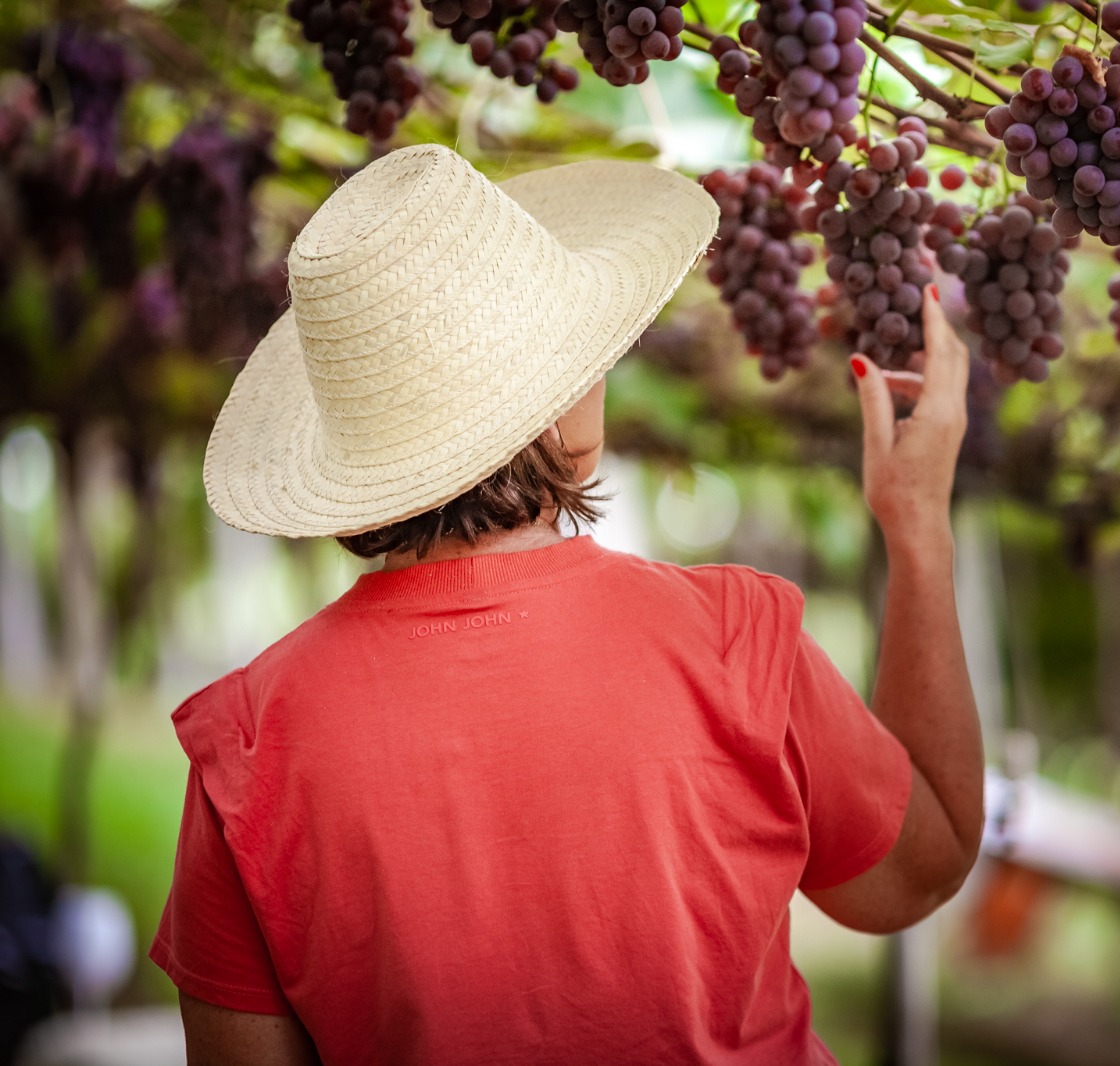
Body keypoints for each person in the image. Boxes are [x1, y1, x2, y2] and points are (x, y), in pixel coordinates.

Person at [151, 143, 983, 1066]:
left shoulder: (248, 741)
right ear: (552, 418)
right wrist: (917, 528)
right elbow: (921, 867)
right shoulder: (733, 640)